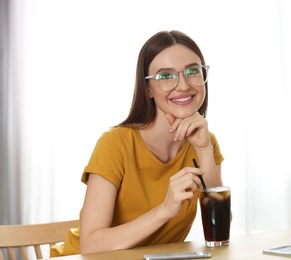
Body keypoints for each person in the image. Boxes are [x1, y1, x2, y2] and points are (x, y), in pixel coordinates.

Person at [50, 30, 224, 256]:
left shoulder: (205, 142)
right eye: (166, 76)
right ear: (148, 89)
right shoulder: (115, 144)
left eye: (193, 71)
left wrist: (203, 150)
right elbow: (90, 245)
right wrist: (165, 210)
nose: (183, 85)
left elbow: (219, 231)